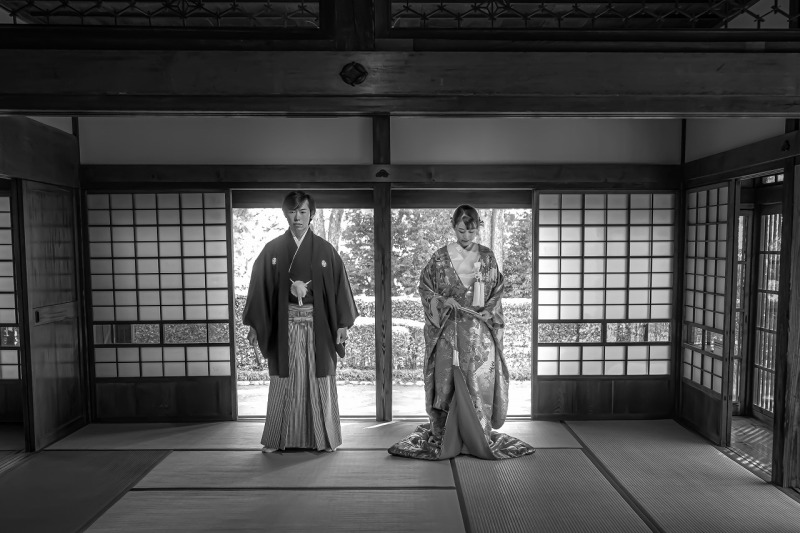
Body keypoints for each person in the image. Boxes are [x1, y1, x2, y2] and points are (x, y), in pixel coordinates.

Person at [389, 205, 535, 460]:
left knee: (478, 385)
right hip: (448, 332)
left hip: (479, 334)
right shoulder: (439, 258)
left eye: (471, 231)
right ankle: (445, 434)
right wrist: (442, 301)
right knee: (446, 385)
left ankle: (478, 434)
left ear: (478, 227)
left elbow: (497, 292)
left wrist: (489, 311)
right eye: (461, 230)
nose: (466, 236)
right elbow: (425, 289)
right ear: (452, 226)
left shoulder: (487, 257)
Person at [243, 191, 358, 453]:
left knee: (320, 378)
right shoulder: (272, 250)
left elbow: (340, 288)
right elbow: (259, 289)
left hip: (319, 327)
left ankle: (325, 438)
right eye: (292, 211)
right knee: (283, 378)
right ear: (285, 214)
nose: (297, 217)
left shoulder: (325, 250)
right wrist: (255, 325)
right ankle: (276, 438)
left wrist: (342, 323)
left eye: (303, 211)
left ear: (312, 214)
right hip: (284, 325)